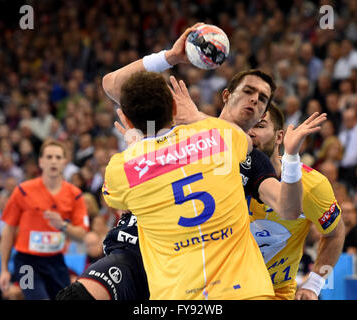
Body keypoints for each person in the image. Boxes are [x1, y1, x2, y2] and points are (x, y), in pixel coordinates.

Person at [99, 24, 325, 300]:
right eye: (248, 91)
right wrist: (169, 57)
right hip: (138, 249)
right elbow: (113, 86)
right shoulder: (180, 121)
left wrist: (290, 159)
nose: (254, 100)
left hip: (194, 278)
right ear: (226, 95)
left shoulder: (250, 158)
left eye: (262, 99)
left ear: (265, 113)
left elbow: (288, 209)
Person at [246, 103, 345, 300]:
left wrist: (313, 285)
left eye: (259, 125)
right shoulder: (225, 176)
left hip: (277, 292)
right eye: (245, 126)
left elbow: (335, 233)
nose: (250, 132)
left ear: (279, 137)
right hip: (224, 288)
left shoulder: (312, 185)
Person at [0, 139, 89, 300]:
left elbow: (82, 234)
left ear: (64, 162)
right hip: (26, 263)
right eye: (49, 157)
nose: (53, 161)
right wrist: (4, 269)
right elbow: (8, 230)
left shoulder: (75, 194)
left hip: (56, 261)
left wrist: (62, 225)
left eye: (58, 157)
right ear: (41, 161)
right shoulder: (23, 191)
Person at [56, 212, 149, 300]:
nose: (91, 248)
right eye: (89, 245)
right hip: (126, 251)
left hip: (142, 260)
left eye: (93, 244)